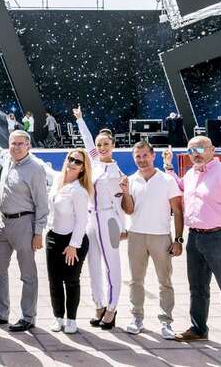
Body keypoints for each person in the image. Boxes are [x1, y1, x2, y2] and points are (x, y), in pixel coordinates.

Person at [166, 137, 221, 362]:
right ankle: (198, 329)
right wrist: (168, 168)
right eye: (191, 150)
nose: (195, 153)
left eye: (199, 148)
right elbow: (180, 188)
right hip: (195, 237)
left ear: (212, 150)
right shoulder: (191, 174)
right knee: (197, 287)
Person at [0, 127, 48, 332]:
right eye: (13, 143)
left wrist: (38, 232)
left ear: (28, 146)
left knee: (27, 273)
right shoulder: (7, 158)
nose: (16, 147)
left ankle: (28, 317)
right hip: (3, 223)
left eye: (20, 144)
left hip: (24, 224)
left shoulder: (35, 168)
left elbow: (42, 204)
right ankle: (1, 314)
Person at [123, 141, 184, 340]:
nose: (141, 160)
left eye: (145, 155)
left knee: (164, 281)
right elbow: (129, 210)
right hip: (136, 235)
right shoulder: (130, 180)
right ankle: (137, 318)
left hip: (160, 236)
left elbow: (177, 211)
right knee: (136, 280)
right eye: (137, 156)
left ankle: (166, 321)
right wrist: (125, 192)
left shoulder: (167, 180)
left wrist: (178, 239)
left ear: (153, 156)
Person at [73, 106, 127, 330]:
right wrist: (80, 119)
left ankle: (112, 308)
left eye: (106, 144)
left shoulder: (117, 174)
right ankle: (99, 305)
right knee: (93, 264)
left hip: (109, 220)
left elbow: (120, 204)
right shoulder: (94, 163)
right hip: (90, 220)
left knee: (111, 265)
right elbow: (87, 141)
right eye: (99, 144)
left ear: (113, 146)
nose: (102, 147)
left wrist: (123, 227)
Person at [46, 147, 91, 334]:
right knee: (54, 281)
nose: (72, 163)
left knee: (71, 281)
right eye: (71, 159)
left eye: (78, 162)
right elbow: (42, 166)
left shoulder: (79, 191)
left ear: (83, 168)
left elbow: (82, 221)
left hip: (73, 241)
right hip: (52, 237)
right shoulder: (58, 180)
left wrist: (73, 246)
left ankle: (71, 319)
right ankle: (58, 317)